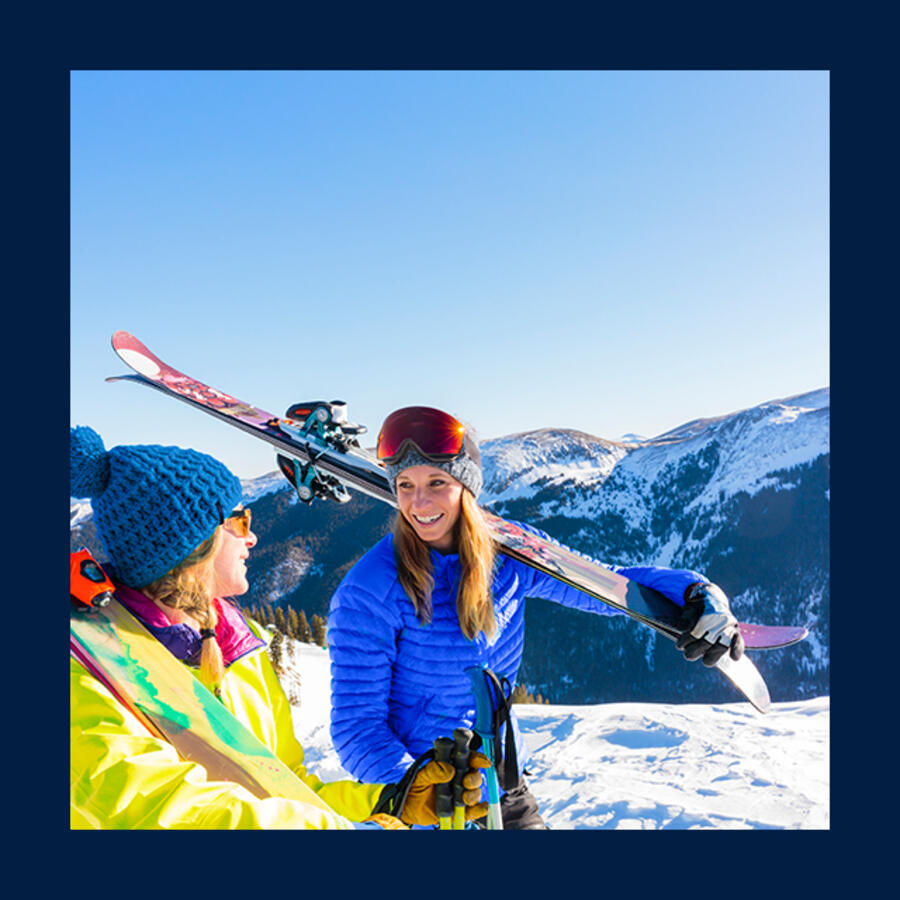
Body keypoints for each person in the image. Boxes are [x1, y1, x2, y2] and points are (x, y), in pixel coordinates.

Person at [327, 406, 745, 829]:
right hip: (421, 799)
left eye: (437, 482)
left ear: (466, 486)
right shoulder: (369, 591)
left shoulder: (513, 555)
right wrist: (414, 789)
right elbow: (356, 726)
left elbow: (604, 584)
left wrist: (693, 592)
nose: (419, 503)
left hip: (501, 782)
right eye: (405, 485)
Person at [69, 425, 489, 830]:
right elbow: (162, 810)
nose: (251, 537)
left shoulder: (239, 649)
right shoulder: (86, 670)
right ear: (191, 546)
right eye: (238, 522)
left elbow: (285, 789)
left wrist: (393, 801)